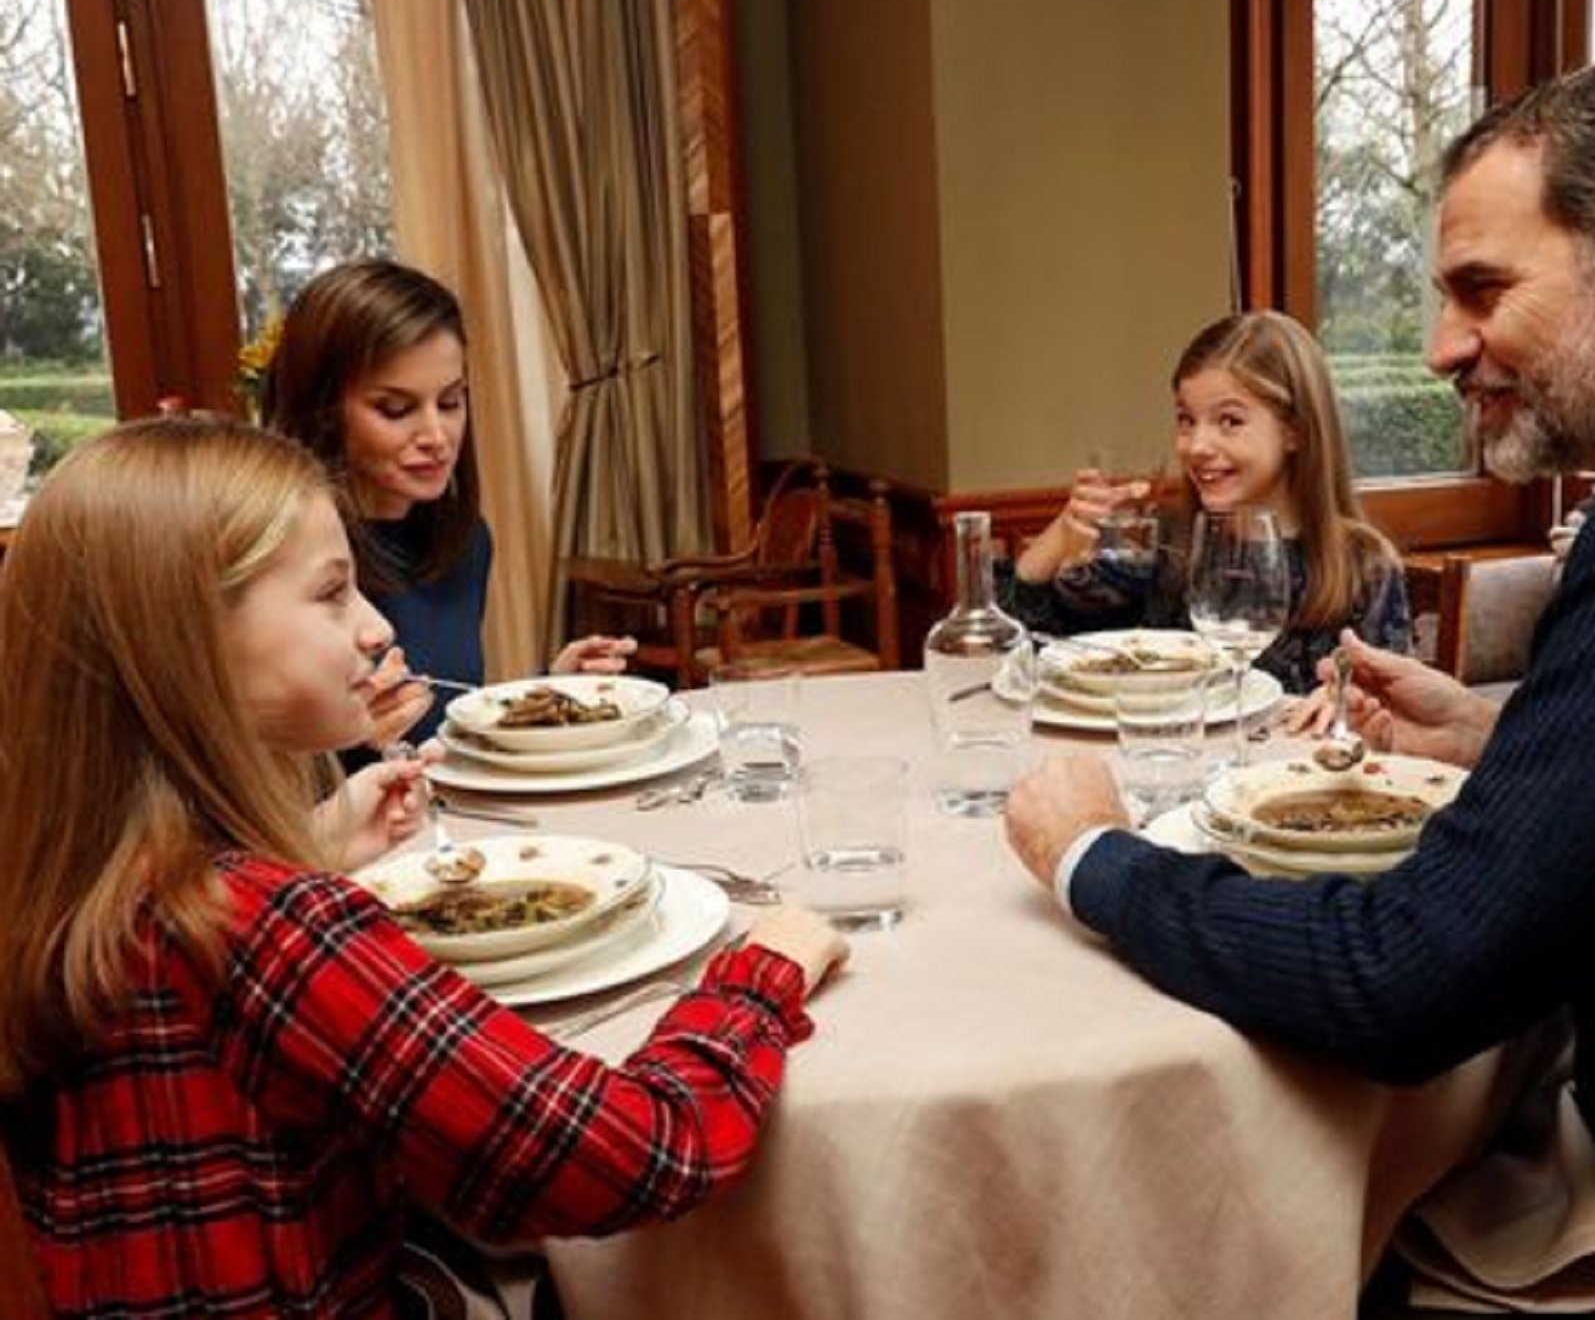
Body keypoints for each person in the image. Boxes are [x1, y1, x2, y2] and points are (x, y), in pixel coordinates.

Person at [1003, 60, 1595, 1318]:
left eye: (1480, 291)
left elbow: (1399, 980)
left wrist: (1091, 857)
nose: (1443, 345)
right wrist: (1509, 737)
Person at [0, 419, 848, 1316]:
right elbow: (629, 1155)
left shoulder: (66, 881)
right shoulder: (270, 930)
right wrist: (764, 973)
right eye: (331, 596)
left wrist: (312, 846)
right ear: (182, 646)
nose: (373, 630)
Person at [262, 258, 636, 750]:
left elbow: (444, 722)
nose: (437, 436)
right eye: (395, 409)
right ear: (323, 409)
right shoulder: (278, 559)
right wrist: (352, 742)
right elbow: (254, 781)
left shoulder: (465, 543)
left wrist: (548, 691)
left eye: (450, 402)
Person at [1001, 310, 1411, 694]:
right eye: (1186, 419)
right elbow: (1031, 636)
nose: (1196, 446)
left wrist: (1350, 709)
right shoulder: (1171, 542)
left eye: (1229, 421)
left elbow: (1386, 719)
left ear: (1295, 432)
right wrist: (1066, 527)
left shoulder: (1365, 566)